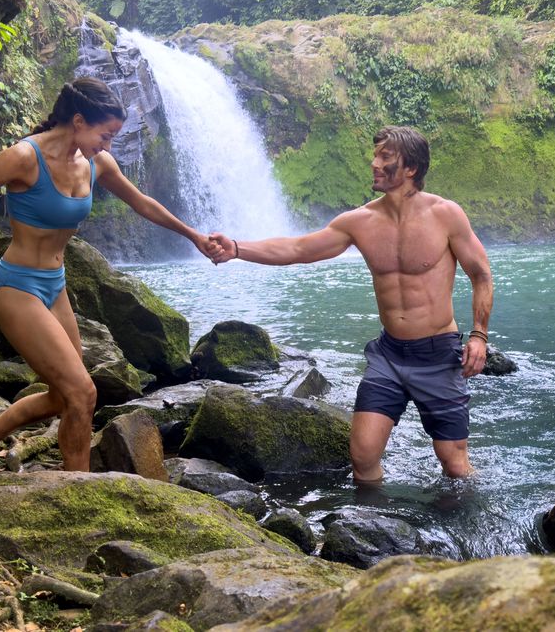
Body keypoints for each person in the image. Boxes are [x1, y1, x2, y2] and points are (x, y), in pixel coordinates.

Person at [0, 77, 215, 475]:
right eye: (106, 134)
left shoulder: (98, 164)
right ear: (78, 121)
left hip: (55, 286)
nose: (108, 145)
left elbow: (144, 204)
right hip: (17, 287)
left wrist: (194, 235)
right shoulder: (23, 158)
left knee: (65, 396)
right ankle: (77, 490)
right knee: (83, 392)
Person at [207, 125, 493, 481]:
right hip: (389, 356)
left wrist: (479, 336)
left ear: (410, 169)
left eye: (385, 157)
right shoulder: (360, 222)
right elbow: (298, 250)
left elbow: (480, 274)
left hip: (437, 354)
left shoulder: (446, 215)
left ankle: (461, 523)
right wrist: (236, 248)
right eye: (375, 155)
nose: (374, 163)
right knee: (363, 457)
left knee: (454, 464)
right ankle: (371, 527)